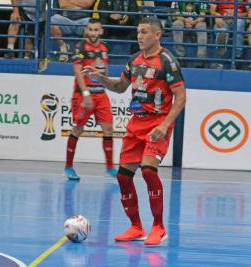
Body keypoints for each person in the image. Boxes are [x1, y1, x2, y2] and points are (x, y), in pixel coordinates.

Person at [82, 16, 186, 246]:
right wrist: (101, 79)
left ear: (157, 35)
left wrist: (165, 124)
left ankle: (158, 227)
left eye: (145, 32)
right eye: (138, 32)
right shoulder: (134, 60)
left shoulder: (167, 62)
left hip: (157, 124)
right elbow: (120, 87)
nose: (140, 36)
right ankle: (136, 227)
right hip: (135, 124)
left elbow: (181, 97)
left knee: (149, 171)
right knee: (123, 176)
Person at [64, 19, 117, 180]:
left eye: (96, 30)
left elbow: (105, 70)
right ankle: (68, 167)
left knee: (108, 129)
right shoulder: (80, 48)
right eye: (91, 30)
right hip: (83, 95)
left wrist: (107, 83)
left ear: (101, 31)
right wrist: (86, 94)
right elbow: (78, 72)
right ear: (86, 31)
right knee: (77, 130)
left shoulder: (104, 48)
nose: (93, 33)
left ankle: (110, 168)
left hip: (101, 94)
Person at [209, 0, 248, 68]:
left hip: (238, 18)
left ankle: (237, 58)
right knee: (221, 30)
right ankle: (219, 58)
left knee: (238, 26)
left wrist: (237, 14)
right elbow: (212, 10)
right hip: (222, 18)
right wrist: (217, 15)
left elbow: (249, 12)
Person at [171, 1, 208, 67]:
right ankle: (180, 57)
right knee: (177, 24)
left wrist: (193, 22)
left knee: (202, 26)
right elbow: (176, 15)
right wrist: (186, 21)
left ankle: (201, 59)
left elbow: (203, 16)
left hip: (196, 22)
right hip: (182, 22)